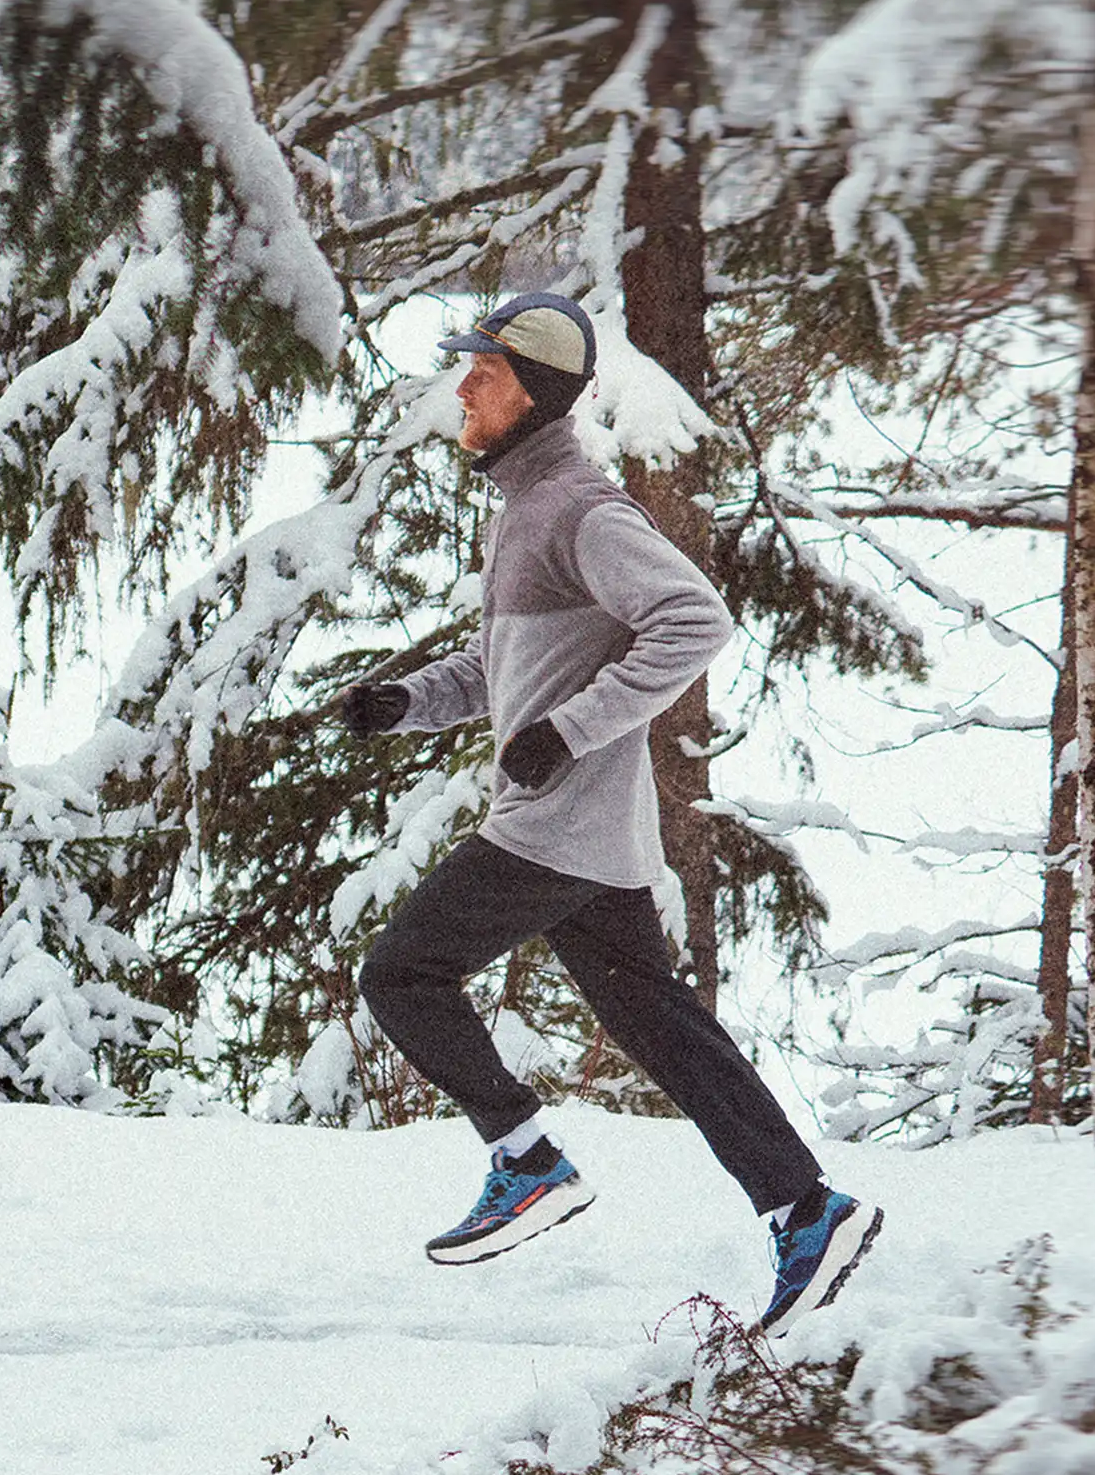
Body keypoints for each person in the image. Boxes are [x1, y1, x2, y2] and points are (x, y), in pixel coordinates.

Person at [335, 291, 880, 1334]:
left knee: (401, 973)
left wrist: (572, 731)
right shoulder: (527, 511)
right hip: (593, 836)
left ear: (532, 392)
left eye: (483, 375)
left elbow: (695, 622)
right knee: (664, 1033)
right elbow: (508, 669)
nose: (463, 391)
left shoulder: (583, 508)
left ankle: (527, 1159)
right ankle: (808, 1210)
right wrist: (409, 701)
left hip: (552, 827)